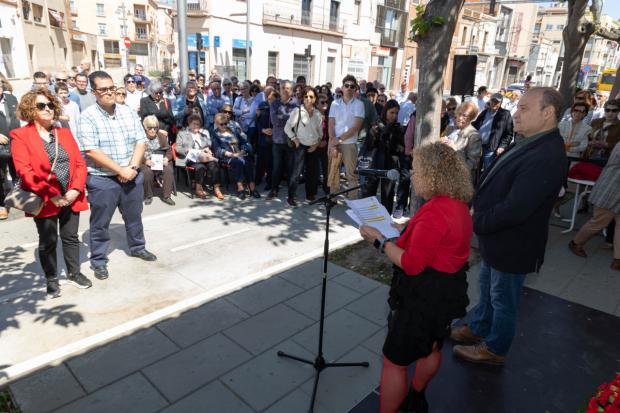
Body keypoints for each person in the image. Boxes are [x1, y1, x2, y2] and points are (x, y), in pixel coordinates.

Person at [451, 87, 567, 364]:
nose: (516, 114)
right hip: (499, 240)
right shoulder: (530, 140)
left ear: (548, 112)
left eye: (524, 108)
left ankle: (495, 349)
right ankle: (479, 328)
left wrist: (477, 221)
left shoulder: (547, 153)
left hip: (513, 243)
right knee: (489, 289)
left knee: (503, 299)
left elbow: (516, 208)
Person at [359, 142, 473, 413]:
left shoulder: (436, 212)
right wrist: (405, 229)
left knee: (394, 361)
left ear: (434, 175)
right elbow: (434, 242)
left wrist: (379, 241)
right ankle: (417, 396)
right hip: (447, 289)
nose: (412, 174)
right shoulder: (456, 204)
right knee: (432, 347)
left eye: (417, 170)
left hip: (423, 296)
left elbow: (411, 264)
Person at [11, 89, 92, 297]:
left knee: (71, 237)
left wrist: (75, 189)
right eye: (41, 106)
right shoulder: (20, 136)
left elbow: (80, 164)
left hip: (70, 196)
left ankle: (74, 273)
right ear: (30, 110)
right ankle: (52, 278)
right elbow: (25, 171)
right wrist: (51, 194)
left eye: (49, 105)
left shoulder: (63, 132)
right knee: (48, 241)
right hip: (45, 198)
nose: (47, 109)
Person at [77, 71, 156, 281]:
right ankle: (99, 260)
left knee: (134, 216)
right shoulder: (87, 117)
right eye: (103, 89)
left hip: (131, 173)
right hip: (103, 179)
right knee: (100, 223)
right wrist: (121, 171)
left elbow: (141, 141)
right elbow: (92, 151)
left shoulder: (127, 112)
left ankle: (138, 247)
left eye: (112, 88)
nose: (109, 93)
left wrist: (131, 167)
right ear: (94, 92)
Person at [568, 142, 620, 271]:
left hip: (614, 188)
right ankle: (575, 243)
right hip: (612, 189)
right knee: (599, 221)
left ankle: (618, 259)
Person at [362, 99, 405, 214]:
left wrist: (391, 135)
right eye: (391, 112)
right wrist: (373, 134)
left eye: (396, 113)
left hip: (390, 164)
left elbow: (400, 149)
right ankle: (367, 218)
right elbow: (368, 145)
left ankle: (386, 221)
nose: (394, 116)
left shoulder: (398, 128)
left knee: (388, 194)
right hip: (375, 163)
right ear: (386, 111)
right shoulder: (376, 124)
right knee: (369, 192)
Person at [284, 87, 323, 205]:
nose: (308, 99)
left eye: (311, 96)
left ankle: (310, 195)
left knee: (312, 173)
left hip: (313, 147)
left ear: (315, 98)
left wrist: (316, 145)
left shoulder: (317, 114)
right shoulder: (298, 111)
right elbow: (287, 128)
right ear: (303, 98)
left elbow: (320, 133)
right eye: (306, 96)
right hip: (300, 146)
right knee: (296, 173)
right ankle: (291, 197)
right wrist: (294, 140)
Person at [328, 75, 364, 198]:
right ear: (342, 88)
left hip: (349, 144)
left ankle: (353, 202)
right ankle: (332, 199)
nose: (349, 88)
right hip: (334, 142)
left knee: (351, 175)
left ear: (355, 89)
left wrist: (338, 139)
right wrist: (333, 142)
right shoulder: (334, 104)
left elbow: (355, 128)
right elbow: (331, 124)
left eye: (352, 86)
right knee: (333, 171)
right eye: (346, 85)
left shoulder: (359, 105)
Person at [212, 113, 260, 199]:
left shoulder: (233, 130)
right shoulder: (215, 135)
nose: (224, 126)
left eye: (225, 123)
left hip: (239, 154)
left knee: (248, 161)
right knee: (237, 162)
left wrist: (243, 150)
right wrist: (232, 154)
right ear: (216, 123)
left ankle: (252, 187)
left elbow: (243, 142)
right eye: (221, 124)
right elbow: (217, 150)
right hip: (227, 157)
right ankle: (240, 188)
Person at [175, 114, 223, 200]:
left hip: (203, 156)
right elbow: (177, 148)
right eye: (194, 123)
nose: (196, 126)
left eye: (198, 124)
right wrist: (186, 150)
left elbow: (208, 145)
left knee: (214, 164)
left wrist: (207, 149)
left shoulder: (202, 135)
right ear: (189, 124)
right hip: (190, 157)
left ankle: (216, 188)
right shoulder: (182, 134)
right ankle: (198, 188)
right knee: (200, 167)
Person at [268, 80, 298, 199]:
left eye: (288, 88)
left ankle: (292, 193)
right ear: (279, 89)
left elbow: (296, 122)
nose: (285, 90)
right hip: (278, 140)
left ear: (291, 91)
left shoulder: (296, 104)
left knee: (291, 168)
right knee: (277, 167)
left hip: (291, 140)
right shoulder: (274, 103)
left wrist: (284, 118)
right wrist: (289, 119)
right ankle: (274, 190)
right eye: (283, 88)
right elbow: (275, 121)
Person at [472, 92, 513, 173]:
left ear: (500, 103)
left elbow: (509, 133)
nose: (494, 103)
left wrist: (502, 146)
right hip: (478, 146)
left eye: (497, 102)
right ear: (490, 101)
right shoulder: (484, 112)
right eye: (493, 101)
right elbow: (475, 125)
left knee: (489, 171)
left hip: (491, 148)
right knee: (475, 170)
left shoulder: (505, 114)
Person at [441, 101, 482, 182]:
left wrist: (455, 150)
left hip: (459, 181)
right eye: (459, 114)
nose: (460, 118)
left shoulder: (473, 135)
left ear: (471, 118)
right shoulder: (449, 129)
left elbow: (471, 165)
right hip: (443, 175)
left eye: (465, 116)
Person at [140, 115, 175, 206]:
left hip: (160, 161)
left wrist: (167, 158)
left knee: (168, 169)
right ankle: (148, 195)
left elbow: (169, 151)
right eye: (150, 128)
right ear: (145, 128)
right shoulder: (140, 137)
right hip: (146, 161)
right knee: (147, 172)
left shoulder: (161, 136)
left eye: (155, 128)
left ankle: (167, 196)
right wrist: (145, 161)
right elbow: (136, 154)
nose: (152, 130)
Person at [0, 81, 20, 220]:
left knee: (18, 174)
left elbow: (19, 118)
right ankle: (2, 206)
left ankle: (21, 200)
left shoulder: (12, 99)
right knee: (0, 177)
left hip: (15, 144)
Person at [233, 80, 259, 150]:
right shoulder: (238, 99)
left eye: (245, 88)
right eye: (241, 89)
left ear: (249, 88)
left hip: (250, 127)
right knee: (240, 145)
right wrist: (243, 111)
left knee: (248, 145)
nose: (243, 90)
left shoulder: (254, 100)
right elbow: (234, 111)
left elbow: (252, 114)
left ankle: (249, 160)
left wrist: (240, 114)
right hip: (239, 126)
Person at [255, 100, 273, 191]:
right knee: (260, 160)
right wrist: (262, 130)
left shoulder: (276, 106)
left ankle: (270, 182)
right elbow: (257, 121)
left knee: (269, 161)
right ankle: (258, 179)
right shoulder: (262, 104)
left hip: (272, 138)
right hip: (262, 138)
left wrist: (273, 130)